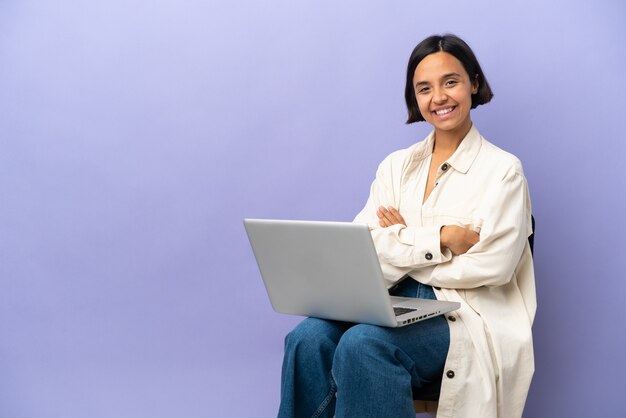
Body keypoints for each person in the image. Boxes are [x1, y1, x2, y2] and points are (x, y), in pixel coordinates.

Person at [277, 34, 536, 418]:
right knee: (306, 338)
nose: (439, 98)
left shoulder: (503, 172)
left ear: (474, 84)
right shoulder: (396, 167)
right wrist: (441, 238)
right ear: (414, 98)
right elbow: (363, 251)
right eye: (424, 88)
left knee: (364, 344)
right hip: (390, 298)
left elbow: (493, 267)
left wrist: (401, 239)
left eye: (451, 82)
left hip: (464, 313)